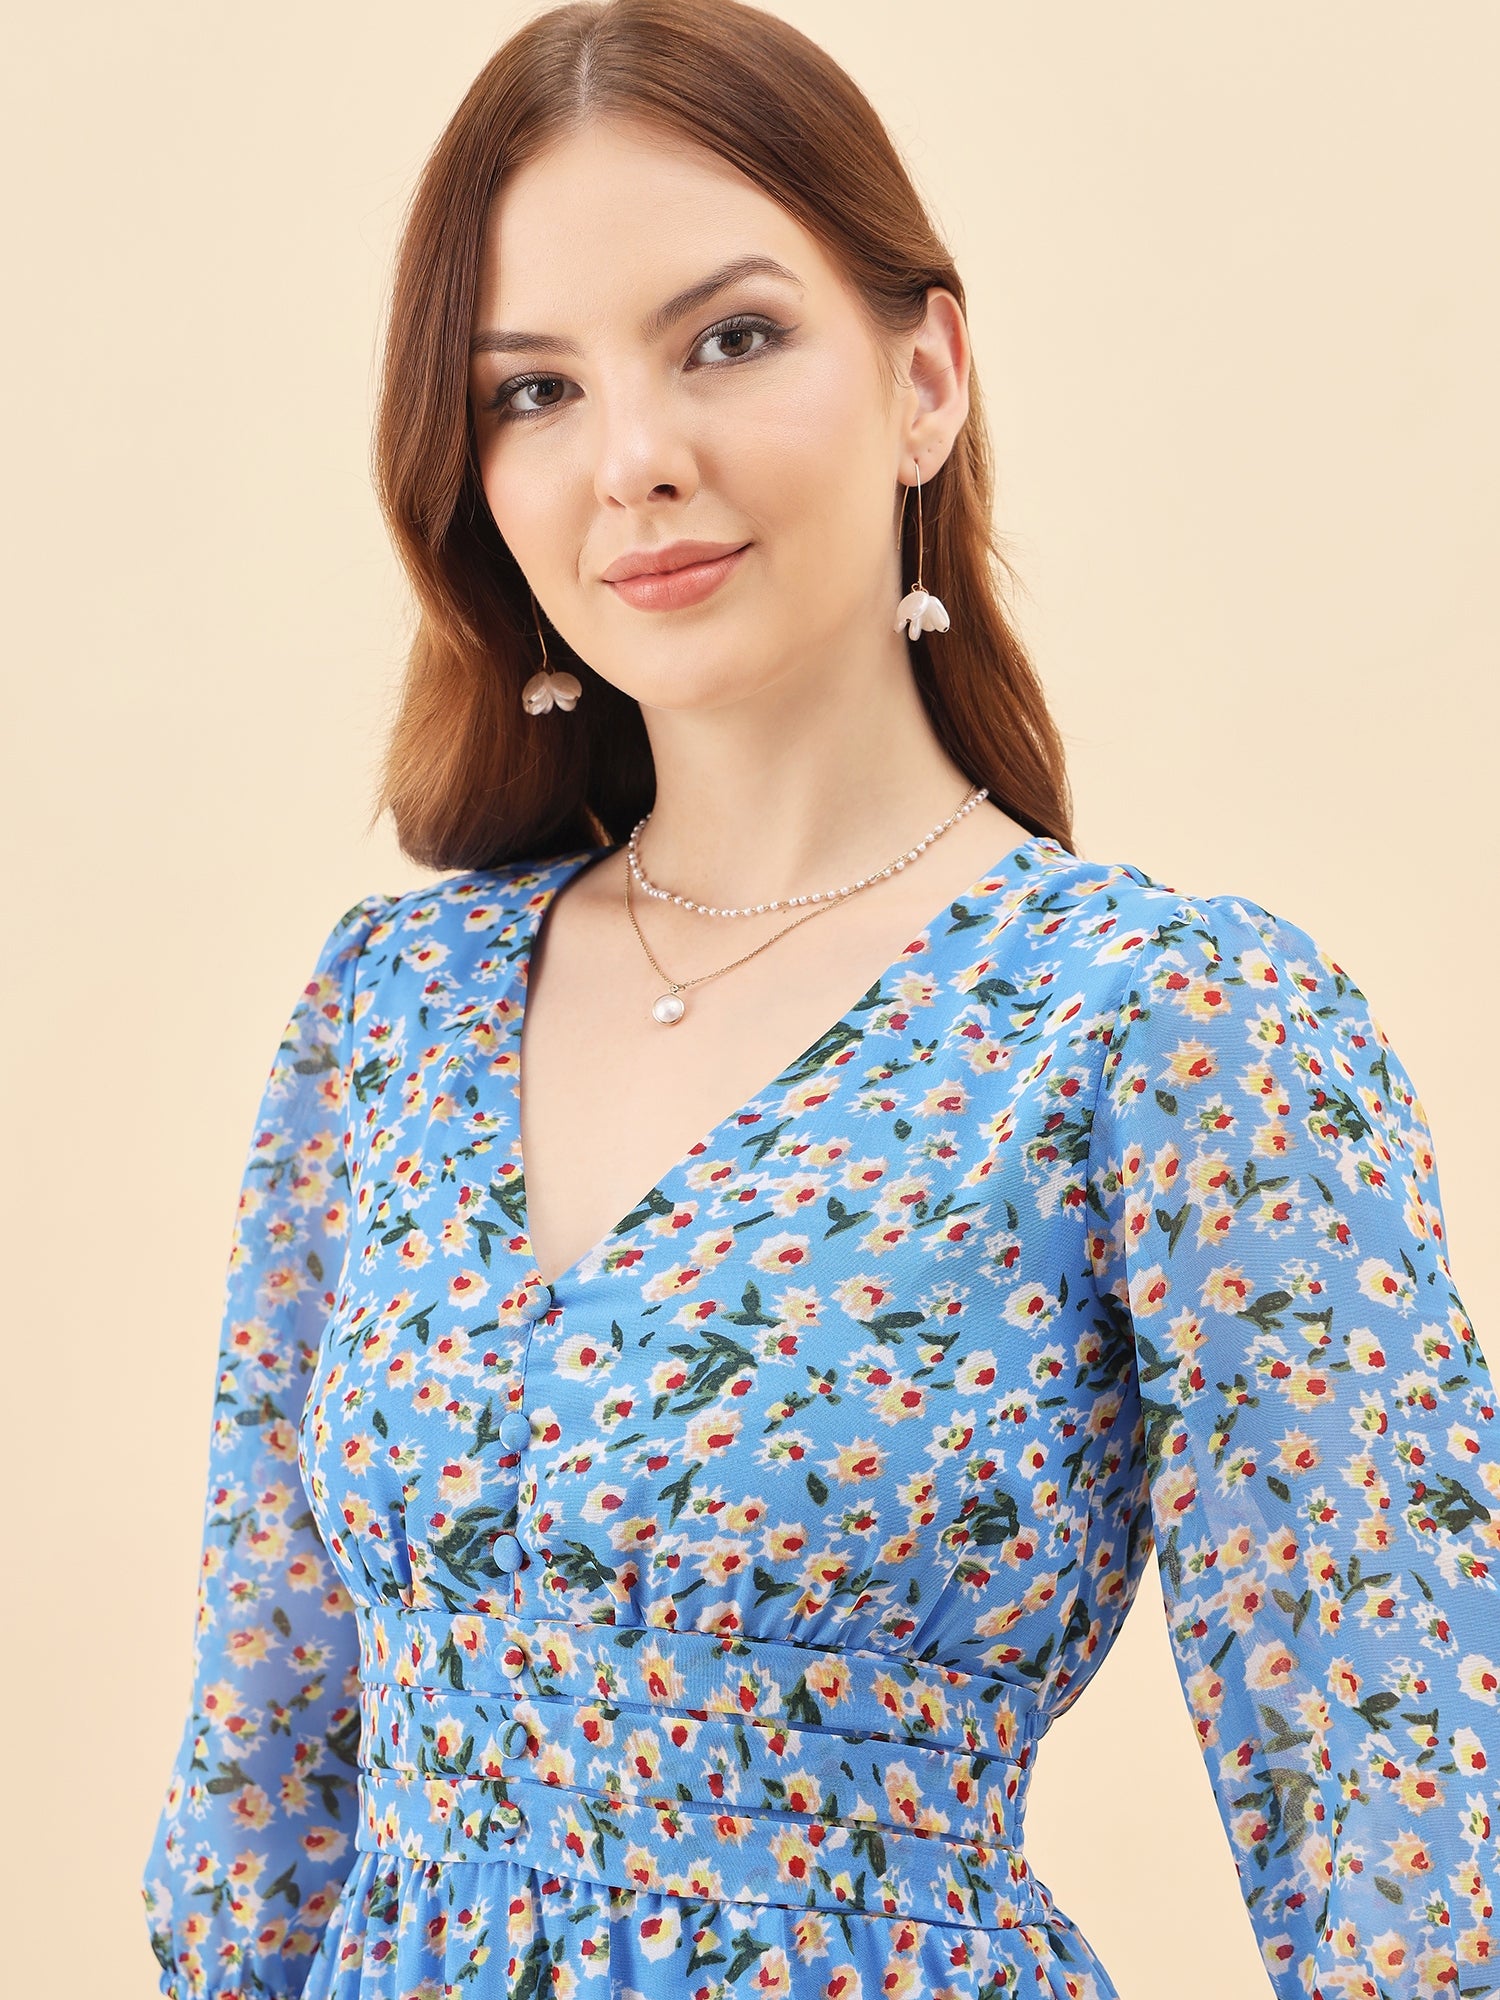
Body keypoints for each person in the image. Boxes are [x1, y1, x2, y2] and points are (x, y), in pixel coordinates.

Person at [140, 2, 1499, 1996]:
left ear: (925, 375)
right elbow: (260, 1790)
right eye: (529, 390)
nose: (635, 462)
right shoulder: (393, 1009)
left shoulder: (1167, 1024)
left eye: (728, 339)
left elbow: (1416, 1836)